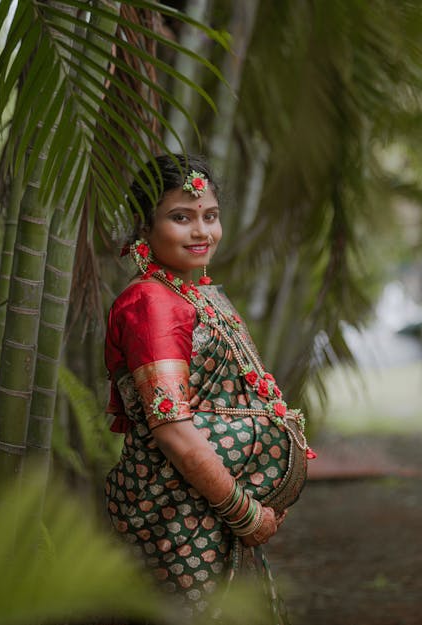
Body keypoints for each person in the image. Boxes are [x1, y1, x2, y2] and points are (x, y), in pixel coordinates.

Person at [104, 154, 315, 622]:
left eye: (210, 216)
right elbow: (174, 431)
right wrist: (245, 513)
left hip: (207, 512)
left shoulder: (194, 291)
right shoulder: (151, 303)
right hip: (177, 519)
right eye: (181, 217)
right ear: (145, 225)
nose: (202, 232)